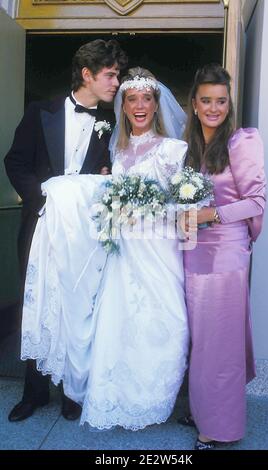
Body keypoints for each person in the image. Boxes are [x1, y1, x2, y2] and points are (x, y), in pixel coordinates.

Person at [19, 67, 190, 430]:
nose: (139, 105)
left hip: (157, 250)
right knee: (113, 322)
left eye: (146, 98)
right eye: (131, 99)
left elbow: (183, 205)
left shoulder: (175, 149)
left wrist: (149, 209)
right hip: (120, 250)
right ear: (124, 107)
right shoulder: (118, 149)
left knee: (164, 321)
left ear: (157, 105)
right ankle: (111, 393)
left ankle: (155, 397)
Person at [4, 38, 128, 422]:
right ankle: (35, 393)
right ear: (87, 74)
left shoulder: (110, 124)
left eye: (118, 75)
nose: (116, 83)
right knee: (37, 307)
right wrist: (40, 200)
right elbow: (16, 162)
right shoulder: (40, 111)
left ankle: (73, 391)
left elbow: (106, 176)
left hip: (83, 237)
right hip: (40, 228)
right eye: (110, 75)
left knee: (79, 309)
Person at [179, 63, 266, 449]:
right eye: (206, 101)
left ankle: (219, 430)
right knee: (201, 339)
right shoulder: (191, 149)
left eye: (221, 101)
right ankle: (202, 409)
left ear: (229, 104)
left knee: (220, 343)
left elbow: (256, 202)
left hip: (226, 254)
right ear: (194, 104)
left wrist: (210, 215)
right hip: (193, 253)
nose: (214, 108)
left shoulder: (242, 142)